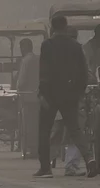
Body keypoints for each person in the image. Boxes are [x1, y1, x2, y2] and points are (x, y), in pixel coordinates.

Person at [35, 15, 96, 178]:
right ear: (66, 26)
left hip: (50, 94)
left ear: (52, 27)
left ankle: (45, 168)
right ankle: (90, 160)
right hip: (70, 94)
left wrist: (42, 93)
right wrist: (78, 92)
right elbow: (83, 72)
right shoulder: (76, 46)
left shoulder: (47, 45)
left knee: (45, 130)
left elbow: (44, 71)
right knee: (75, 129)